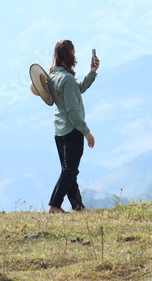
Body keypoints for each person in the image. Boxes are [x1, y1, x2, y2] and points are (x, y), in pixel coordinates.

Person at [47, 39, 100, 213]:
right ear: (69, 55)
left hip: (59, 130)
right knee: (70, 171)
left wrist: (92, 72)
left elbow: (79, 88)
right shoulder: (67, 79)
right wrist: (87, 132)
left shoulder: (53, 76)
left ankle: (78, 206)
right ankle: (55, 205)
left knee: (69, 171)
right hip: (72, 129)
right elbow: (73, 111)